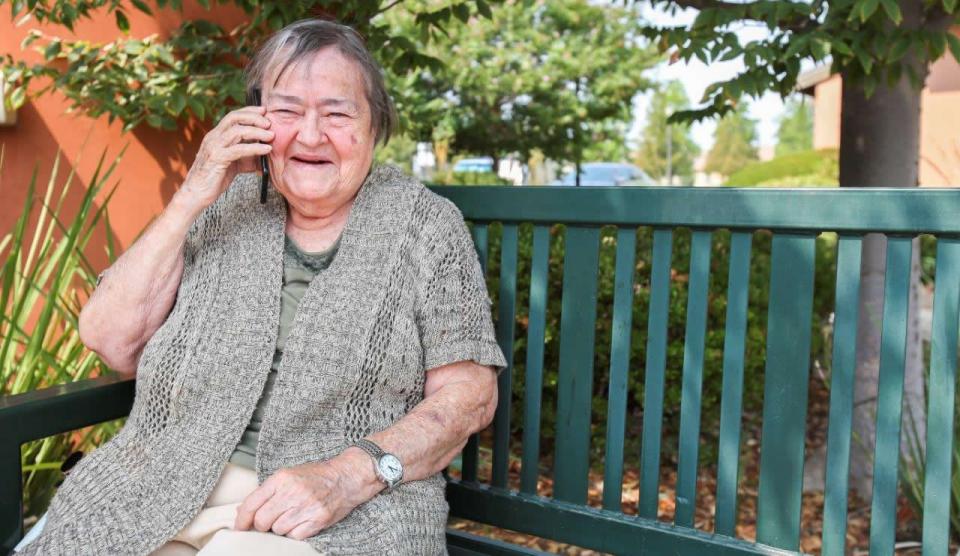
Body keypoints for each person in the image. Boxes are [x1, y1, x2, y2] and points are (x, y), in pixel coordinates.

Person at [15, 19, 505, 556]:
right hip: (159, 482)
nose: (311, 135)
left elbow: (469, 397)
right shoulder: (222, 206)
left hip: (338, 509)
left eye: (338, 113)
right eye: (288, 111)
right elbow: (111, 341)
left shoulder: (426, 226)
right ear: (256, 120)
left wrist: (347, 475)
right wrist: (193, 193)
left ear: (374, 126)